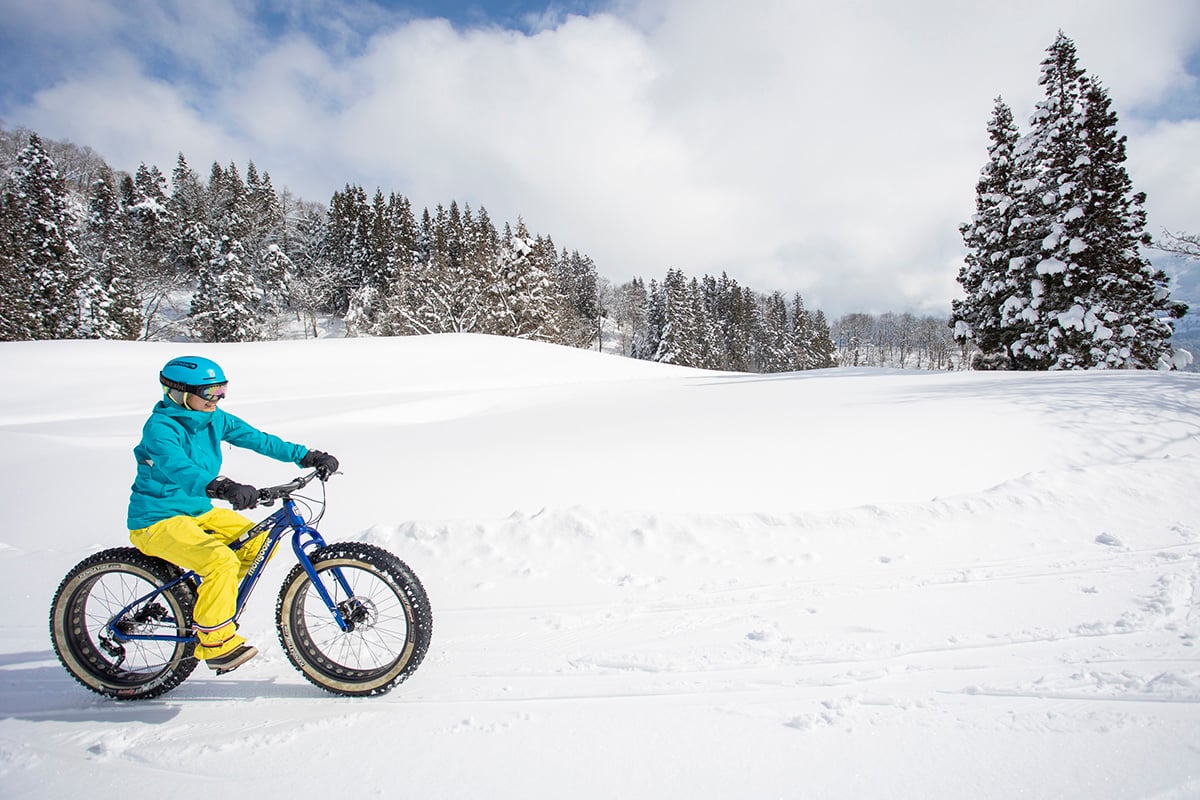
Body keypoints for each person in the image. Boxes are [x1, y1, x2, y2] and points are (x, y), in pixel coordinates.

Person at [126, 356, 339, 675]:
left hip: (198, 511)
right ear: (179, 392)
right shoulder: (161, 429)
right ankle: (213, 641)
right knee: (221, 561)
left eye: (222, 390)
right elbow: (177, 467)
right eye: (210, 392)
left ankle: (208, 605)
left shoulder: (213, 419)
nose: (218, 398)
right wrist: (222, 487)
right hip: (157, 520)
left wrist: (306, 456)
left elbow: (258, 440)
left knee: (257, 542)